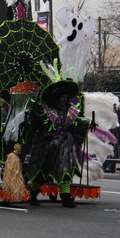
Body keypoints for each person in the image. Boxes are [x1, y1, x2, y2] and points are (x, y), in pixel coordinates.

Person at [24, 80, 92, 208]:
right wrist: (34, 114)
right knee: (41, 173)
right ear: (55, 98)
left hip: (64, 145)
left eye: (65, 96)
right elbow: (35, 125)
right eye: (61, 96)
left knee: (65, 169)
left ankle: (66, 198)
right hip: (46, 145)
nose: (64, 99)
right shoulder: (44, 110)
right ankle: (33, 194)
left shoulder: (72, 111)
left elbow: (76, 125)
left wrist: (87, 123)